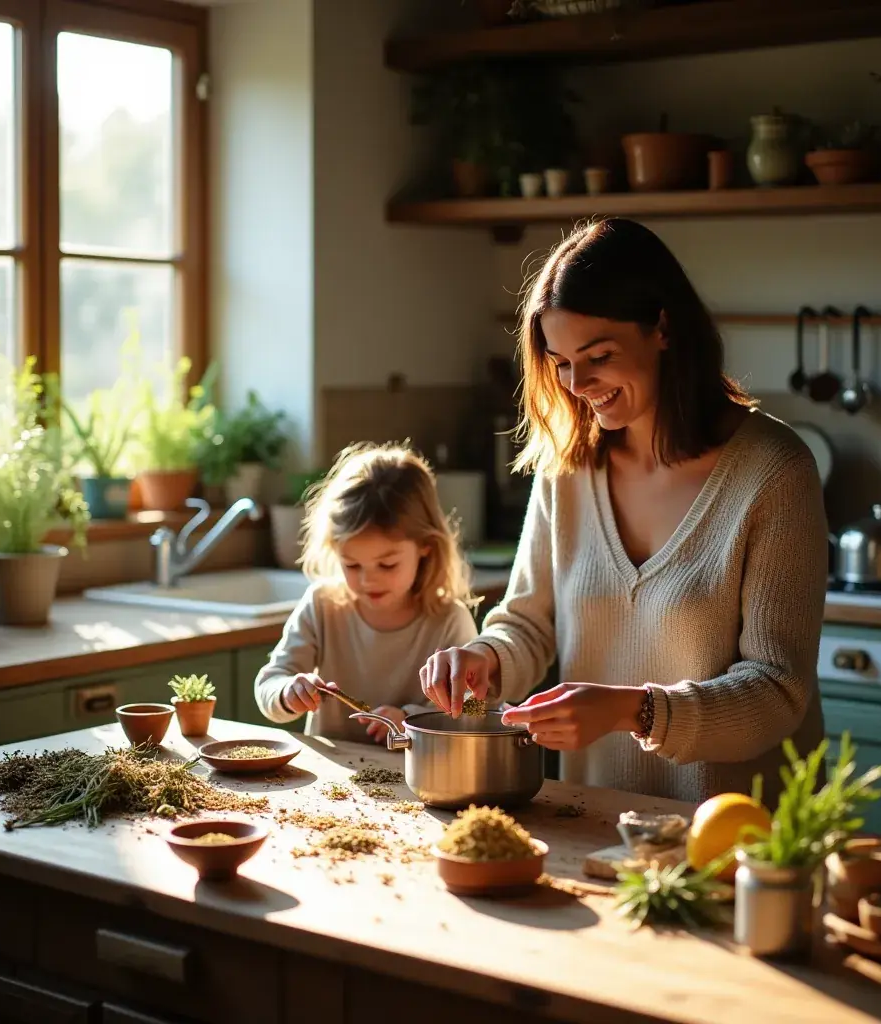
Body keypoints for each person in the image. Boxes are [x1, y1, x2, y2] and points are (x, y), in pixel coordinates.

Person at [420, 218, 827, 803]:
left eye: (599, 355)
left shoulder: (774, 470)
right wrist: (485, 657)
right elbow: (529, 623)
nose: (577, 383)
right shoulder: (569, 466)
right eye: (559, 361)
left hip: (741, 834)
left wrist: (634, 711)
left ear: (662, 327)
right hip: (599, 823)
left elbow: (776, 692)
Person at [255, 442, 479, 743]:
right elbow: (270, 681)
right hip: (331, 780)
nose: (367, 580)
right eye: (351, 564)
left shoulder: (450, 619)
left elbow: (472, 709)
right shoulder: (322, 605)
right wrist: (287, 692)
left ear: (426, 545)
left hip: (413, 780)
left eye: (387, 564)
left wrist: (410, 719)